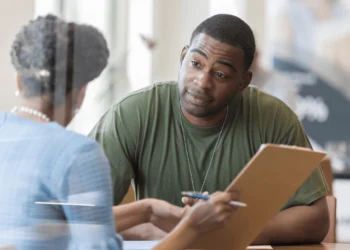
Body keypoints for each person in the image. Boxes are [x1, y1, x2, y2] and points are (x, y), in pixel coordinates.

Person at [0, 14, 240, 250]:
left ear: (19, 80)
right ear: (80, 92)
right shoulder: (77, 153)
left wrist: (146, 210)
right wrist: (193, 228)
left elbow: (46, 219)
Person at [90, 14, 330, 245]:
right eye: (195, 64)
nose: (202, 82)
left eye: (220, 74)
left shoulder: (276, 118)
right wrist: (169, 231)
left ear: (243, 82)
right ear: (183, 56)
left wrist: (226, 232)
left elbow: (316, 219)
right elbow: (80, 216)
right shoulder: (133, 114)